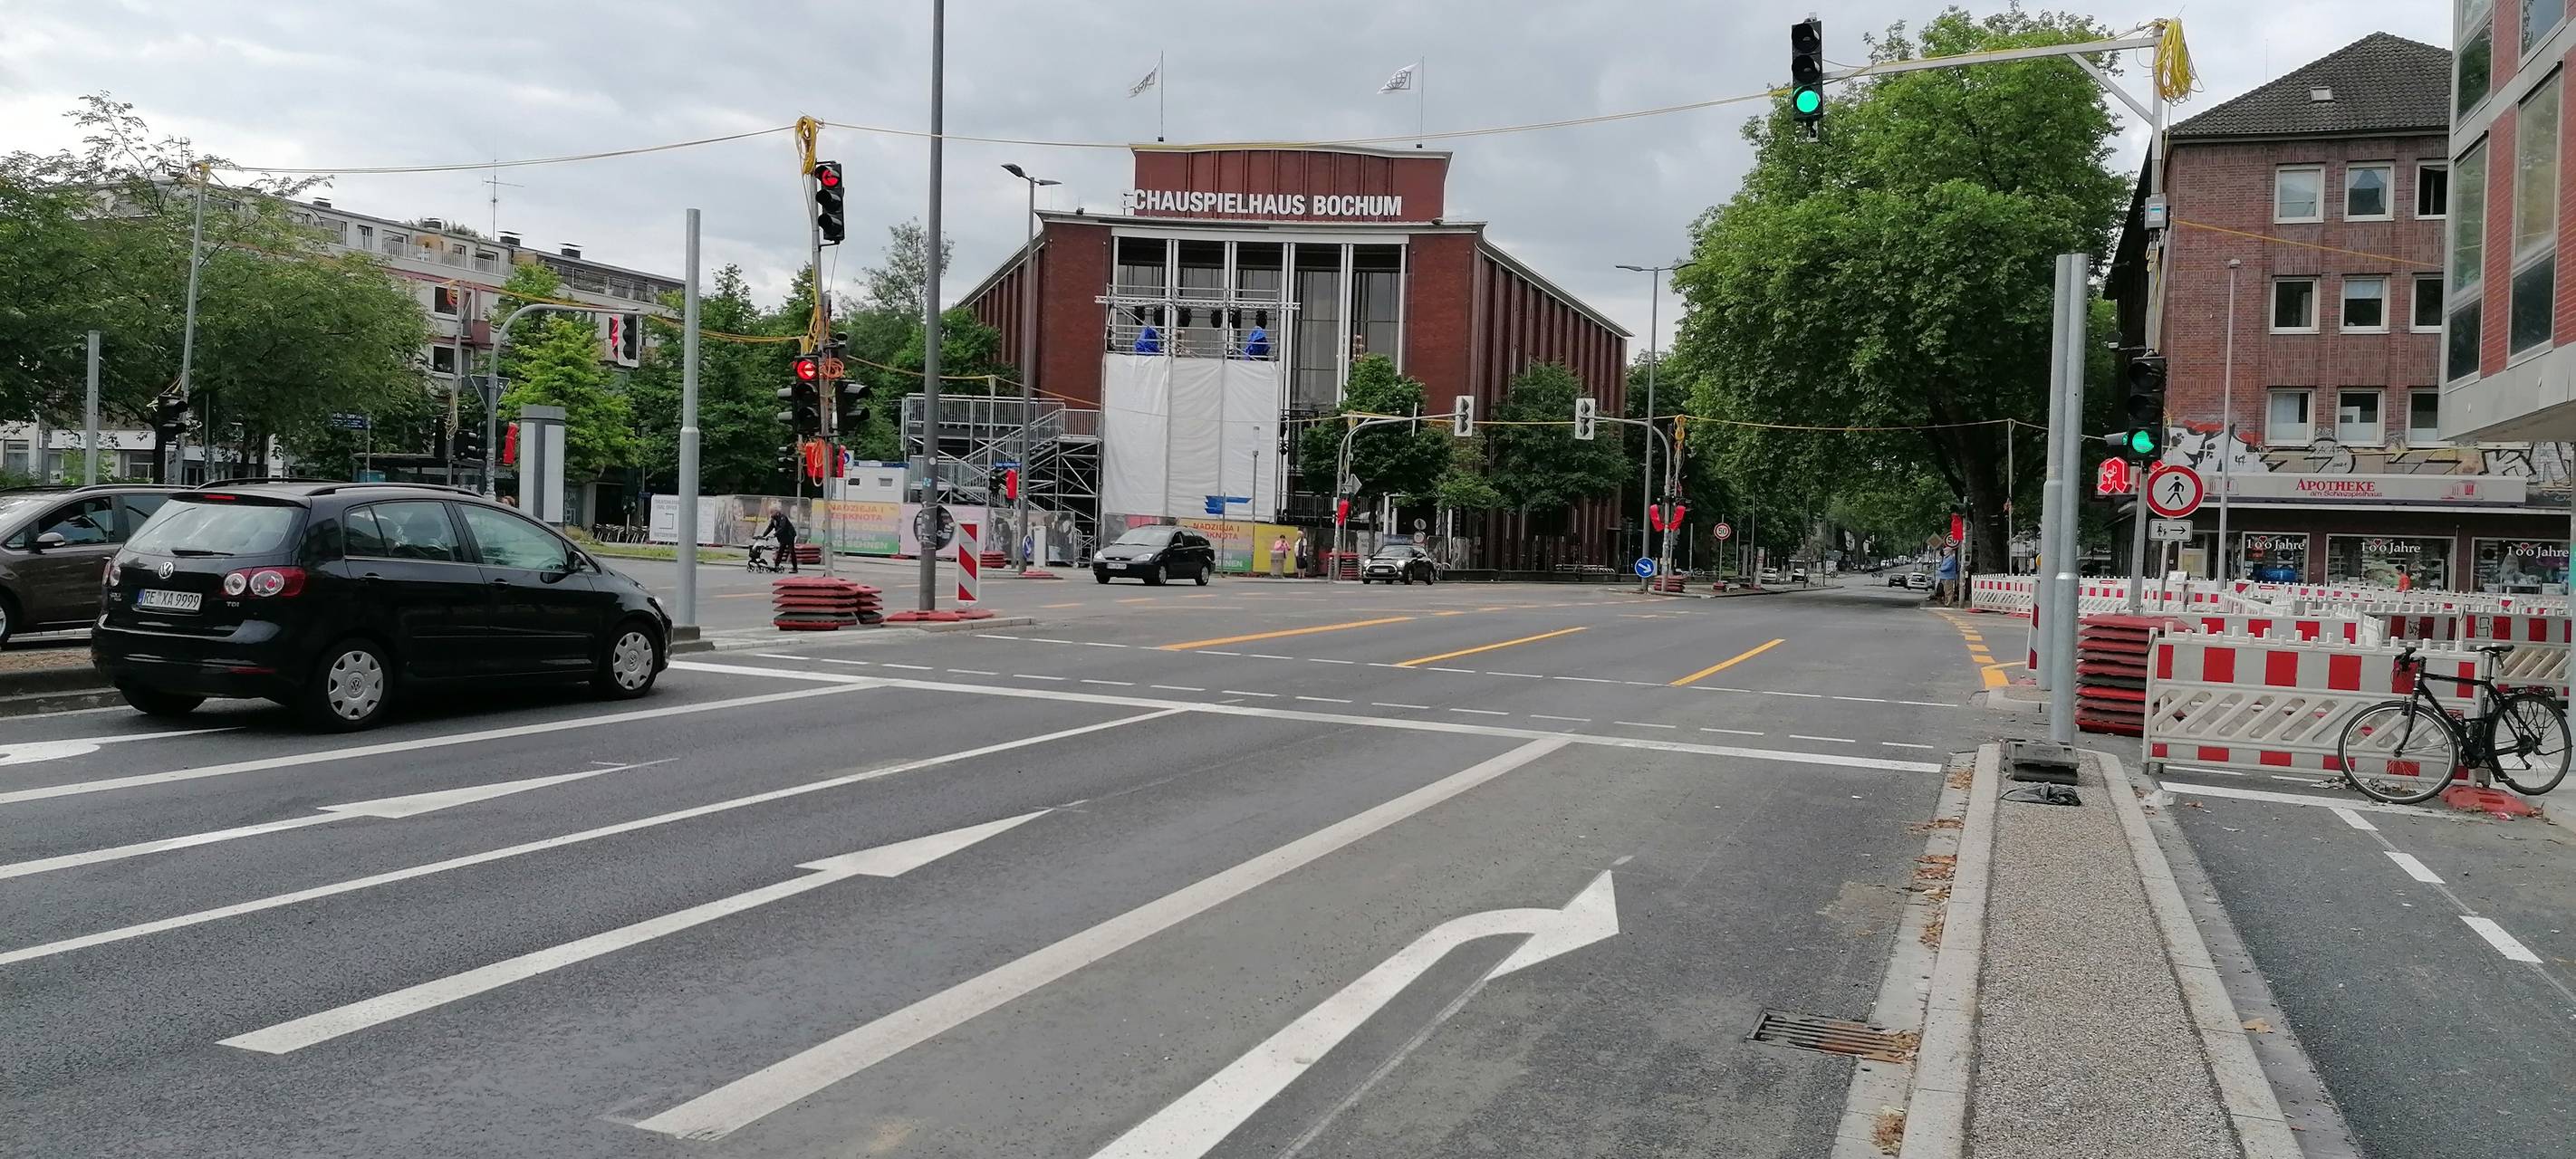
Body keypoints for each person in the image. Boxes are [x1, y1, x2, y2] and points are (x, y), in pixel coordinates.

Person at [765, 507, 801, 574]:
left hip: (789, 536)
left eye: (772, 512)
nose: (771, 514)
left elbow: (782, 527)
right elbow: (770, 527)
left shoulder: (783, 518)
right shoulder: (774, 519)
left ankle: (795, 568)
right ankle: (776, 566)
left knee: (791, 551)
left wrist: (774, 534)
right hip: (783, 537)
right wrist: (763, 535)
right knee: (780, 551)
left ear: (776, 512)